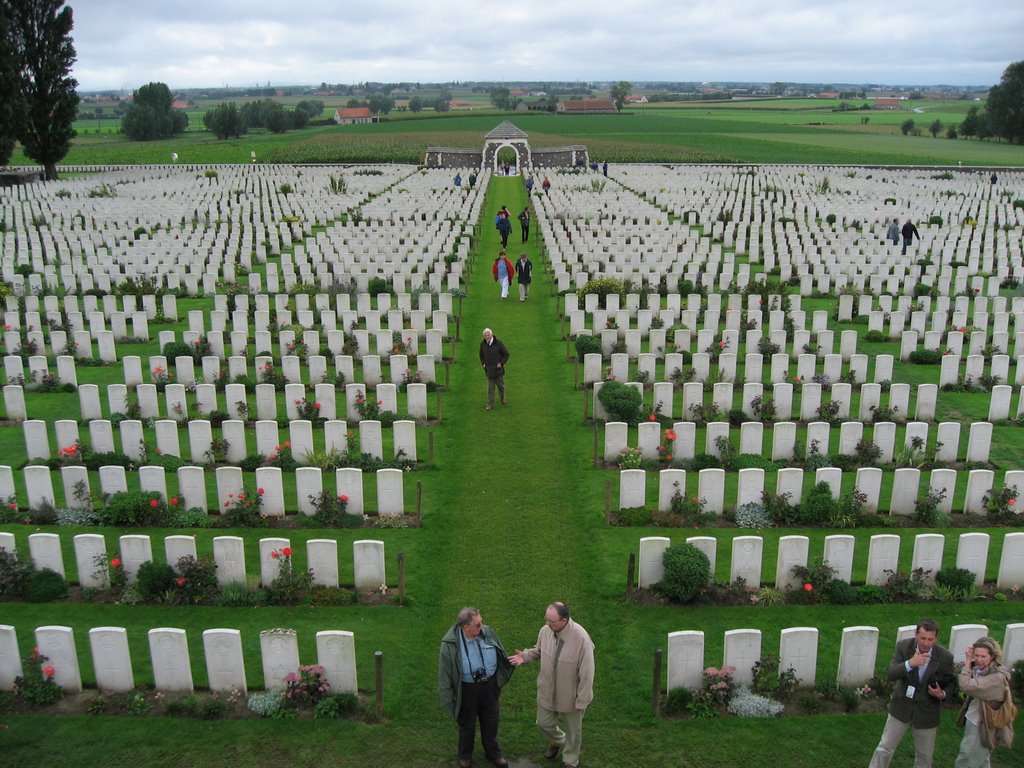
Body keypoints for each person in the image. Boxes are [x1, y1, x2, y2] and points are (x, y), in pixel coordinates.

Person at [509, 602, 595, 768]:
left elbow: (587, 673)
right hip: (547, 690)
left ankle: (570, 760)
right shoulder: (545, 631)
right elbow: (539, 650)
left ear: (564, 620)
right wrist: (525, 656)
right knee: (543, 723)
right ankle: (557, 741)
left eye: (551, 621)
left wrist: (582, 699)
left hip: (571, 695)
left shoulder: (582, 639)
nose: (547, 624)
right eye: (546, 619)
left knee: (573, 731)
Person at [868, 619, 955, 768]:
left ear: (936, 638)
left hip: (927, 712)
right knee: (885, 748)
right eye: (922, 638)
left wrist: (941, 694)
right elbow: (891, 674)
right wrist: (910, 664)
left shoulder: (945, 657)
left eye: (930, 639)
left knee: (924, 755)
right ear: (916, 635)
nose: (926, 643)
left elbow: (952, 683)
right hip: (901, 707)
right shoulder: (904, 647)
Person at [439, 607, 514, 768]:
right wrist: (449, 700)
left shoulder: (487, 632)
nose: (483, 626)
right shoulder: (449, 644)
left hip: (489, 687)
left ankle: (493, 753)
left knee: (491, 721)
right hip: (467, 690)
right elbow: (444, 675)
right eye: (478, 624)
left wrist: (497, 683)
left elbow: (501, 653)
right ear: (466, 627)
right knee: (467, 725)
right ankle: (465, 756)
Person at [955, 636, 1012, 768]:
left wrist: (968, 661)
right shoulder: (981, 670)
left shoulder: (996, 678)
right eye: (976, 655)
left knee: (967, 758)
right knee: (983, 759)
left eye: (983, 656)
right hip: (975, 718)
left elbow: (966, 686)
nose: (979, 660)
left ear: (992, 656)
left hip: (983, 723)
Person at [479, 328, 510, 409]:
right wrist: (483, 364)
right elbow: (481, 356)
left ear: (491, 335)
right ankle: (490, 404)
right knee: (490, 389)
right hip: (489, 371)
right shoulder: (482, 344)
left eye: (488, 335)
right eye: (485, 336)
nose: (487, 337)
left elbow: (506, 354)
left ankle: (503, 398)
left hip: (498, 371)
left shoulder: (499, 343)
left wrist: (501, 363)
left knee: (501, 387)